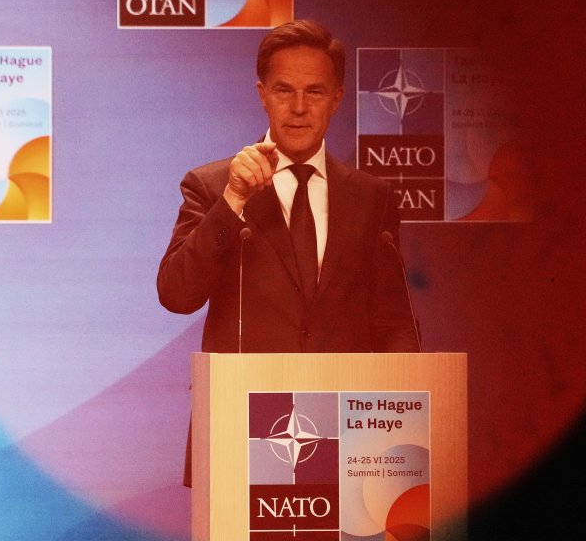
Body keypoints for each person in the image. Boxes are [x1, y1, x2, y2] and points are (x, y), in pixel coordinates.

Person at [157, 19, 421, 356]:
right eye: (284, 90)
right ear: (263, 95)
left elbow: (394, 322)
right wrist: (233, 201)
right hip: (243, 389)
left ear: (336, 99)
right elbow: (177, 295)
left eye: (314, 92)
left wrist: (408, 385)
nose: (298, 108)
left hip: (341, 390)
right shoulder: (213, 187)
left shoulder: (372, 199)